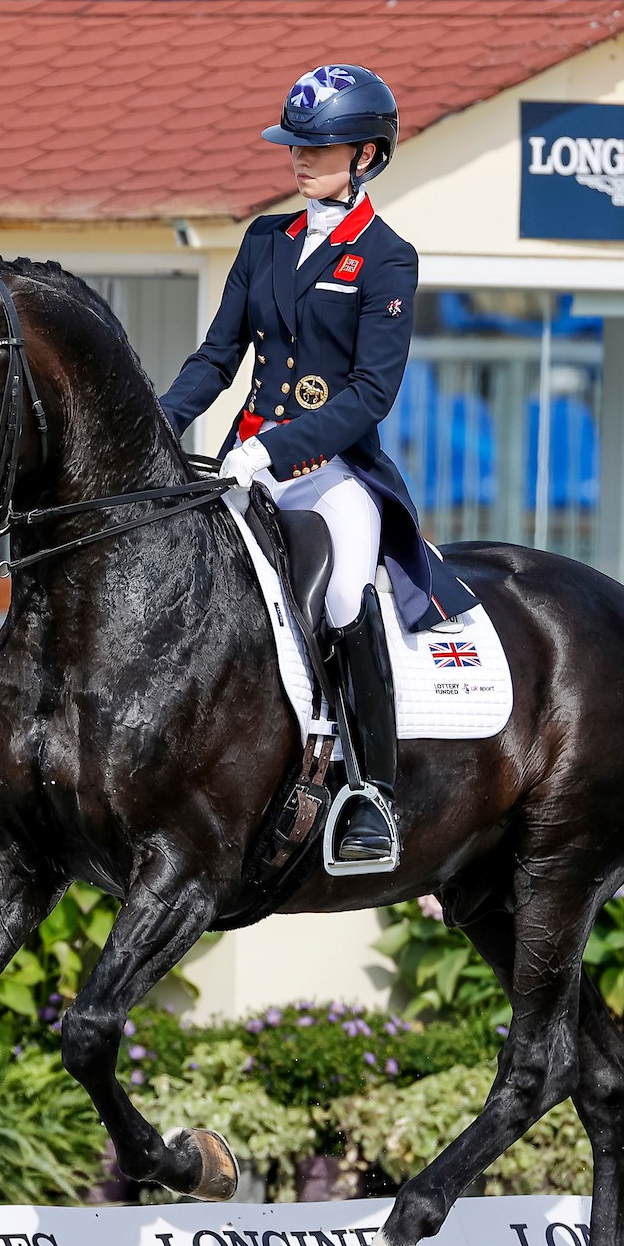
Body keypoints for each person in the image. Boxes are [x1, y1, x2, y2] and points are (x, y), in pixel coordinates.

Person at [161, 65, 481, 871]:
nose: (301, 160)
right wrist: (158, 423)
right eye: (296, 146)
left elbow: (371, 394)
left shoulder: (386, 258)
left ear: (367, 154)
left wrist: (277, 448)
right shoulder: (264, 240)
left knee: (342, 593)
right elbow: (217, 354)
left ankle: (369, 791)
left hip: (332, 471)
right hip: (242, 460)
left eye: (321, 147)